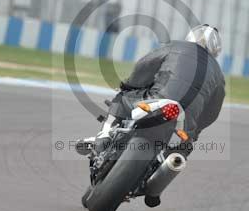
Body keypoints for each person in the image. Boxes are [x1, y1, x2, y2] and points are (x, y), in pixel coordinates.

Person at [77, 24, 226, 159]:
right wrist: (195, 131)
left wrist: (130, 86)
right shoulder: (219, 75)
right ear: (216, 49)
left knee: (121, 98)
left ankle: (103, 136)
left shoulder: (176, 46)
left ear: (191, 37)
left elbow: (145, 65)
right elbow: (212, 113)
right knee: (182, 150)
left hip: (158, 100)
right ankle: (165, 168)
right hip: (185, 120)